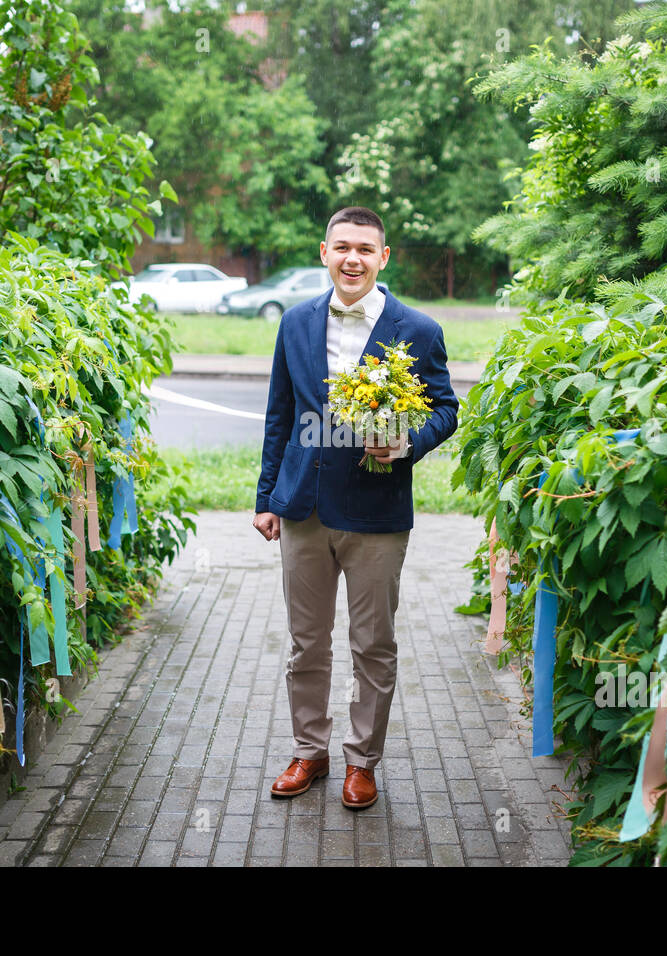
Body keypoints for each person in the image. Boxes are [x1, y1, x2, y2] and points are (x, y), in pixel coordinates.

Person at [252, 206, 459, 809]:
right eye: (342, 247)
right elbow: (279, 416)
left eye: (365, 249)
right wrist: (267, 498)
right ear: (324, 252)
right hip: (304, 509)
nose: (352, 259)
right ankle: (308, 752)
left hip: (376, 512)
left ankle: (362, 761)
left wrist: (407, 442)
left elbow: (446, 410)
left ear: (383, 257)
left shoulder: (417, 329)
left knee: (373, 645)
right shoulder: (293, 322)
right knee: (306, 642)